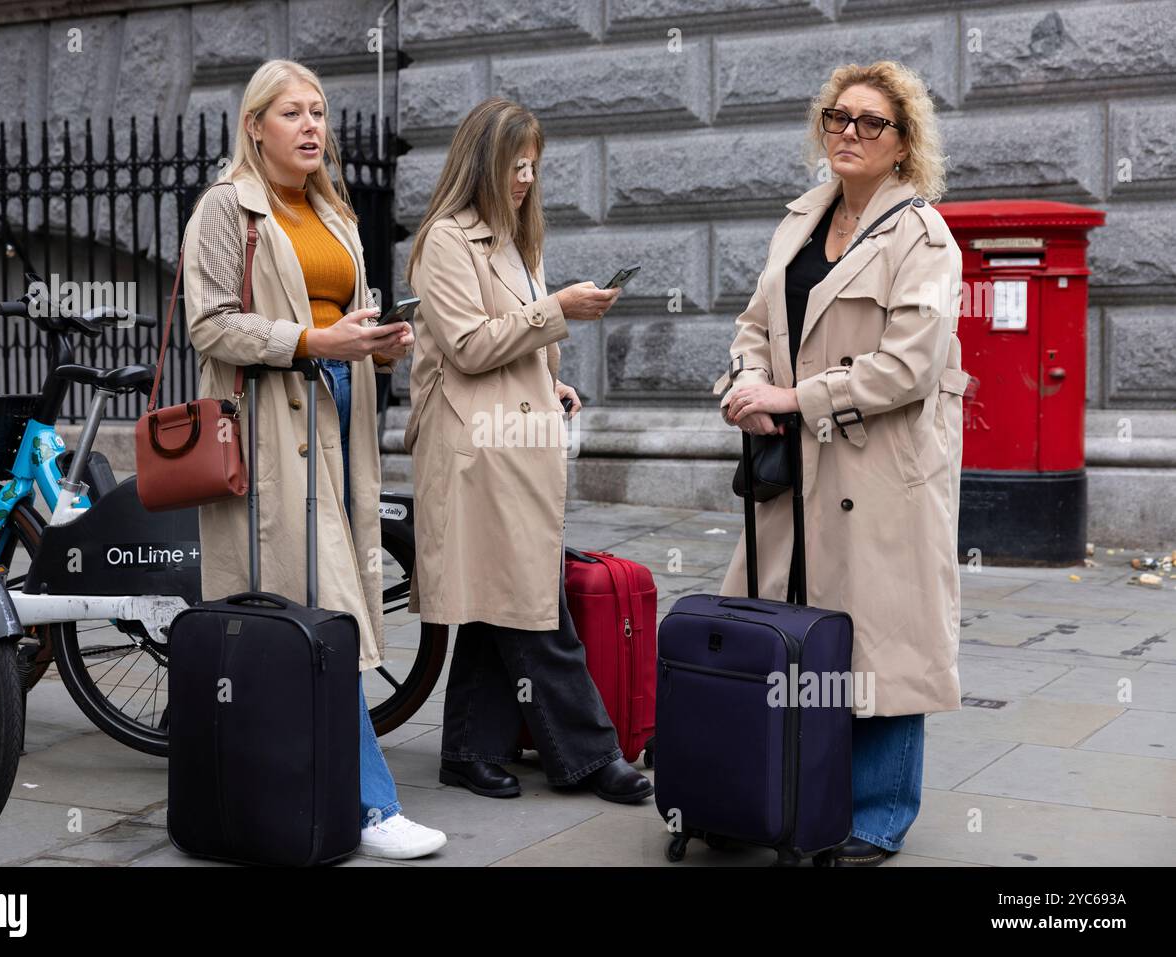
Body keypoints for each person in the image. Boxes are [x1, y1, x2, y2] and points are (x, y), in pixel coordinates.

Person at [182, 58, 446, 859]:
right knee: (324, 605)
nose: (311, 127)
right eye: (292, 112)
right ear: (255, 126)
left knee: (319, 607)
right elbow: (211, 325)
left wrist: (377, 345)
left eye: (320, 112)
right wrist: (310, 340)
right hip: (269, 430)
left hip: (339, 412)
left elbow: (341, 316)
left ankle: (279, 784)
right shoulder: (228, 210)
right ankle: (370, 804)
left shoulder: (333, 211)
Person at [716, 61, 970, 866]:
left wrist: (795, 400)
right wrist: (748, 378)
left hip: (880, 471)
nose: (849, 133)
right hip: (798, 469)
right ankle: (773, 789)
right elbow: (757, 321)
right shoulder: (798, 221)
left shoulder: (923, 237)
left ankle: (879, 816)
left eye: (871, 123)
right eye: (837, 117)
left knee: (882, 645)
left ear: (903, 144)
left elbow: (908, 368)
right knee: (783, 629)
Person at [404, 98, 653, 804]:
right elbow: (470, 344)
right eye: (516, 164)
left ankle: (468, 750)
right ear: (483, 163)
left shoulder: (514, 239)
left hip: (516, 438)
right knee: (537, 610)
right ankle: (590, 755)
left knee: (497, 599)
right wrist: (558, 311)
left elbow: (511, 341)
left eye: (534, 166)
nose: (526, 178)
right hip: (476, 450)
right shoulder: (445, 241)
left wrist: (554, 381)